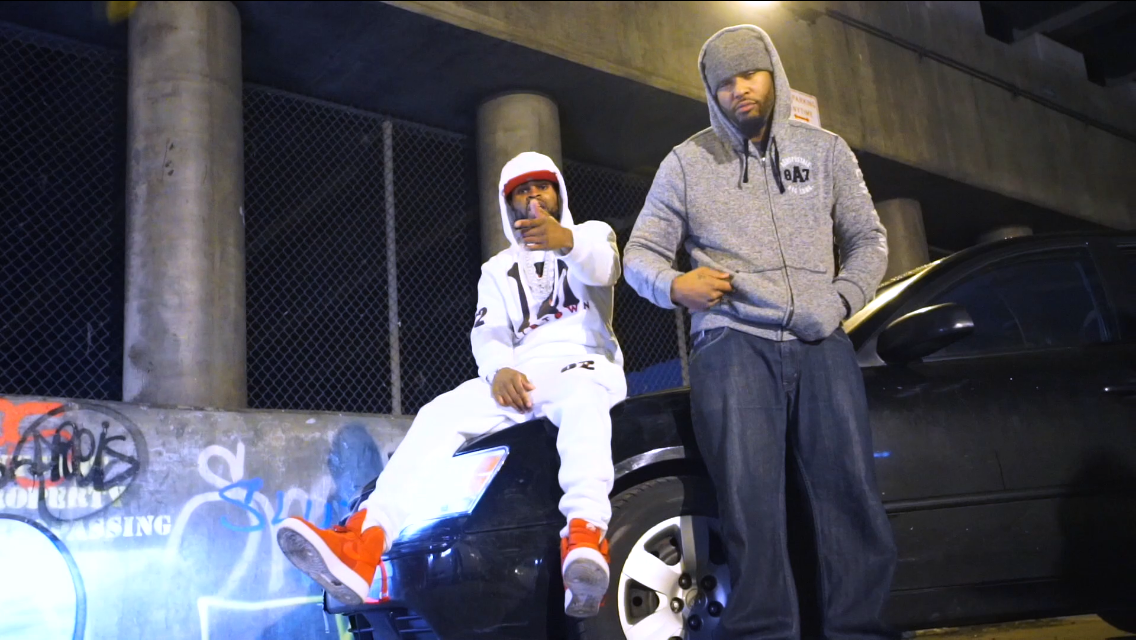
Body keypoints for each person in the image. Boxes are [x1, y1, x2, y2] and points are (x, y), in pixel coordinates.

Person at [623, 24, 897, 640]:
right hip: (732, 341)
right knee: (750, 504)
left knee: (849, 494)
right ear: (711, 92)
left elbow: (868, 239)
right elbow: (640, 253)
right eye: (725, 83)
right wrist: (675, 285)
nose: (739, 90)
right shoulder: (686, 162)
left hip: (820, 339)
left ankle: (860, 630)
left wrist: (841, 300)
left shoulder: (825, 151)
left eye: (749, 74)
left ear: (773, 72)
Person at [276, 151, 627, 619]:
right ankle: (362, 545)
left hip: (582, 362)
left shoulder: (592, 234)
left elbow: (603, 270)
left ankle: (585, 536)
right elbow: (488, 333)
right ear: (508, 205)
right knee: (438, 412)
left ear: (558, 192)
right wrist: (498, 369)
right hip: (521, 376)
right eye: (522, 191)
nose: (534, 196)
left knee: (584, 399)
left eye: (542, 186)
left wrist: (565, 241)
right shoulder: (496, 269)